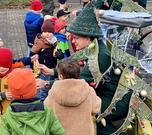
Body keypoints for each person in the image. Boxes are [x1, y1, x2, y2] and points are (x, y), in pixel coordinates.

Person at [38, 3, 132, 134]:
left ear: (88, 37)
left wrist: (47, 83)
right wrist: (52, 71)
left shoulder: (100, 56)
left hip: (117, 101)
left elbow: (78, 80)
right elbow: (74, 59)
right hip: (106, 93)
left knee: (80, 104)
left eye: (76, 38)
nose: (73, 41)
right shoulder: (95, 46)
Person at [0, 68, 65, 135]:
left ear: (11, 92)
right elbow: (59, 132)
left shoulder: (7, 118)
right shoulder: (47, 112)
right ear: (35, 89)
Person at [44, 58, 101, 135]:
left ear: (60, 76)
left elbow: (46, 111)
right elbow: (96, 109)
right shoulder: (88, 91)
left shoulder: (53, 93)